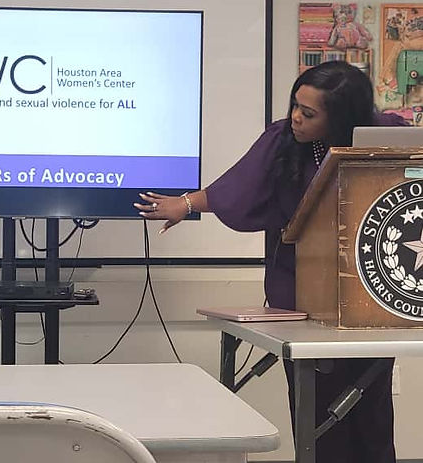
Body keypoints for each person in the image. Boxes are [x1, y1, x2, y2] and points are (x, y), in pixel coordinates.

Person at [134, 60, 406, 463]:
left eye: (308, 113)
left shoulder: (385, 134)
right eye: (295, 105)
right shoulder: (282, 139)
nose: (295, 117)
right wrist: (186, 204)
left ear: (341, 116)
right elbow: (238, 187)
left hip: (370, 292)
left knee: (372, 414)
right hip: (302, 293)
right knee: (320, 416)